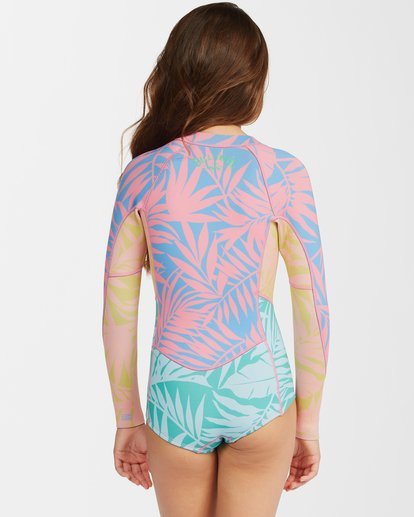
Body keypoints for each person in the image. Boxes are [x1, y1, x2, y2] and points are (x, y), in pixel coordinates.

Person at [101, 3, 330, 516]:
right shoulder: (283, 173)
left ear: (175, 71)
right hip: (260, 390)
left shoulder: (143, 175)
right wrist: (308, 423)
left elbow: (118, 311)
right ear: (254, 82)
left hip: (175, 394)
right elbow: (312, 304)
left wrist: (127, 418)